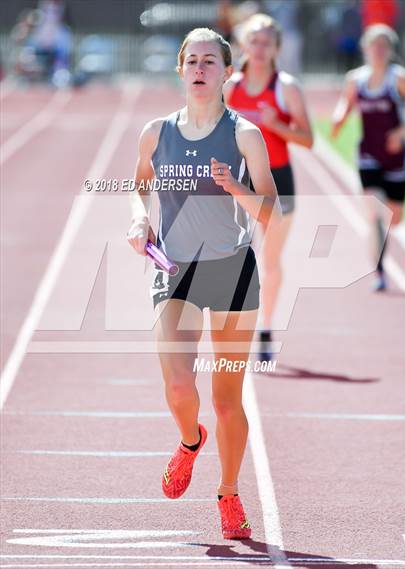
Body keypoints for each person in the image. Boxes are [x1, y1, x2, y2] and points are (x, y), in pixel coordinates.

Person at [127, 28, 281, 539]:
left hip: (232, 272)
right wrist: (138, 220)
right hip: (174, 273)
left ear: (226, 72)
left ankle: (230, 493)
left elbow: (271, 210)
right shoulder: (155, 131)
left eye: (209, 61)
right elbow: (139, 185)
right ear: (179, 69)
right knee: (177, 384)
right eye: (191, 60)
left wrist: (234, 185)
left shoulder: (244, 135)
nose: (199, 69)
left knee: (226, 397)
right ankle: (190, 442)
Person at [224, 13, 313, 361]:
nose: (260, 49)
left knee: (270, 260)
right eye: (254, 41)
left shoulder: (286, 87)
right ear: (243, 45)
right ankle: (234, 323)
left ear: (277, 47)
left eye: (267, 42)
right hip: (240, 181)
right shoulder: (230, 87)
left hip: (279, 182)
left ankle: (266, 328)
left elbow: (307, 139)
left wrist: (277, 126)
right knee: (233, 257)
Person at [332, 24, 405, 291]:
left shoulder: (399, 78)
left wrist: (400, 132)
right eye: (373, 46)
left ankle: (382, 251)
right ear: (365, 49)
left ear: (390, 50)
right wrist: (339, 118)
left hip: (396, 158)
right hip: (368, 153)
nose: (378, 51)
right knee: (375, 211)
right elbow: (345, 104)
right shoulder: (355, 79)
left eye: (383, 46)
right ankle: (380, 272)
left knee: (396, 217)